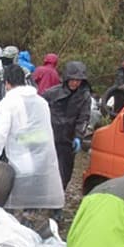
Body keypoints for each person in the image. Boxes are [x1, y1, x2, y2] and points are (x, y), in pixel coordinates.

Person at [0, 64, 64, 229]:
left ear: (7, 83)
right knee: (34, 210)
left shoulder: (8, 103)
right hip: (42, 163)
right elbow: (43, 133)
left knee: (15, 213)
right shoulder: (41, 102)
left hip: (19, 164)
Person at [43, 61, 92, 191]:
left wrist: (78, 137)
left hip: (68, 140)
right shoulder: (51, 93)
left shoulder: (85, 97)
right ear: (66, 78)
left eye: (78, 80)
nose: (75, 83)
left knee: (64, 173)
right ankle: (40, 199)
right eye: (72, 79)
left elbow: (84, 118)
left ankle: (57, 203)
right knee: (45, 170)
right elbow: (39, 111)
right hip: (50, 137)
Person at [0, 45, 34, 129]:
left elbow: (31, 95)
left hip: (23, 113)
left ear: (15, 59)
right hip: (4, 110)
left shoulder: (25, 74)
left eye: (8, 60)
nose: (5, 64)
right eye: (3, 60)